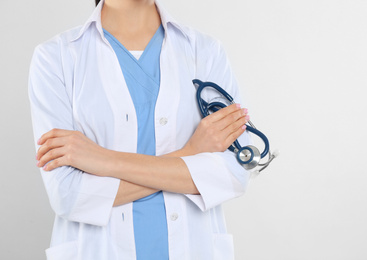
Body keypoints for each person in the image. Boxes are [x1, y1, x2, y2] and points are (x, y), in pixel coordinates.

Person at [29, 0, 252, 259]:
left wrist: (101, 160)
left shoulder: (204, 51)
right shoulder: (56, 57)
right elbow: (68, 195)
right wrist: (191, 154)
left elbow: (234, 174)